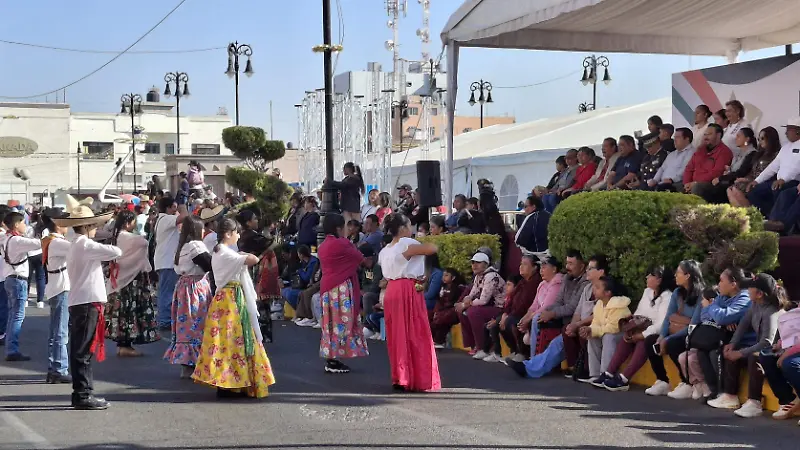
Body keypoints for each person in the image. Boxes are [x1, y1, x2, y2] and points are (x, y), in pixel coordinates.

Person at [193, 218, 276, 398]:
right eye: (236, 232)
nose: (238, 235)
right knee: (237, 341)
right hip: (232, 301)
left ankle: (229, 383)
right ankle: (233, 382)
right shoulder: (227, 254)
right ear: (228, 234)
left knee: (224, 343)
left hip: (224, 299)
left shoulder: (219, 252)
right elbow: (253, 259)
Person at [56, 196, 120, 410]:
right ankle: (83, 394)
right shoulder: (85, 245)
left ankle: (81, 392)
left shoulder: (77, 244)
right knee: (83, 351)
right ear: (88, 226)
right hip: (86, 301)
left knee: (80, 349)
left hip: (81, 301)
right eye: (94, 225)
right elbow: (116, 252)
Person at [379, 213, 441, 391]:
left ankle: (400, 376)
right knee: (413, 332)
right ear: (402, 229)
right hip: (407, 289)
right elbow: (432, 249)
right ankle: (413, 377)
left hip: (392, 290)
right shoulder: (406, 243)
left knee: (396, 335)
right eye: (408, 226)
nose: (411, 229)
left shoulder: (385, 250)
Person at [717, 273, 786, 417]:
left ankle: (754, 402)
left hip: (776, 351)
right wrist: (733, 344)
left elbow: (767, 343)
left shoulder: (771, 312)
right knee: (733, 352)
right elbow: (744, 323)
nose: (747, 290)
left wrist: (741, 353)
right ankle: (730, 396)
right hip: (763, 348)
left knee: (753, 357)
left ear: (760, 293)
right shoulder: (755, 304)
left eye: (750, 288)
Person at [602, 266, 674, 392]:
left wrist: (642, 334)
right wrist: (632, 328)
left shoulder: (667, 297)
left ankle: (624, 379)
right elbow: (639, 312)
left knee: (643, 342)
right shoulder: (647, 292)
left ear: (659, 280)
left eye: (651, 275)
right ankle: (608, 373)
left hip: (656, 332)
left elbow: (661, 324)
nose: (647, 277)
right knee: (626, 339)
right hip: (641, 327)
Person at [317, 214, 369, 373]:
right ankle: (334, 359)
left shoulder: (323, 245)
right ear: (339, 228)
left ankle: (331, 357)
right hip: (341, 288)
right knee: (342, 324)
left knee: (330, 324)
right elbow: (361, 259)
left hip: (326, 288)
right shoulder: (342, 244)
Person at [645, 260, 705, 397]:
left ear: (688, 275)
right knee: (650, 341)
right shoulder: (677, 292)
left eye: (678, 273)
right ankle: (662, 381)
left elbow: (694, 324)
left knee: (673, 344)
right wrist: (661, 337)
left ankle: (687, 382)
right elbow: (668, 317)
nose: (675, 276)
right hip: (676, 331)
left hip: (693, 334)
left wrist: (668, 339)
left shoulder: (701, 294)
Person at [105, 210, 160, 358]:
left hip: (118, 280)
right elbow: (144, 242)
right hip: (131, 280)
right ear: (128, 223)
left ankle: (122, 345)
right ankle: (126, 345)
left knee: (121, 312)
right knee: (130, 312)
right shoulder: (131, 238)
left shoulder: (115, 237)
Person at [164, 215, 213, 379]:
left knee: (185, 324)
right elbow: (208, 264)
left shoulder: (182, 246)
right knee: (198, 323)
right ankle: (198, 362)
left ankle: (186, 363)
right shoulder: (196, 245)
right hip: (195, 287)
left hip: (183, 286)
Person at [2, 211, 41, 361]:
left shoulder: (7, 238)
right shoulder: (17, 241)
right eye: (23, 222)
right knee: (17, 316)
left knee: (13, 315)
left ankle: (10, 347)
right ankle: (12, 350)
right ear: (17, 224)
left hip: (10, 279)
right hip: (18, 280)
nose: (25, 225)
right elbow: (38, 243)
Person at [749, 118, 800, 233]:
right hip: (779, 181)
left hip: (792, 181)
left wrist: (783, 179)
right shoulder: (785, 147)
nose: (786, 133)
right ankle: (770, 217)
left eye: (789, 130)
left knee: (781, 191)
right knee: (754, 192)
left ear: (797, 131)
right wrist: (757, 180)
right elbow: (773, 167)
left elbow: (796, 168)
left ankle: (778, 225)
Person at [40, 208, 72, 383]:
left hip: (55, 286)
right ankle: (59, 368)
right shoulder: (58, 242)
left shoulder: (49, 239)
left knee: (55, 331)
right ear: (57, 223)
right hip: (61, 287)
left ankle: (54, 368)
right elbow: (79, 249)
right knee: (61, 331)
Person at [582, 276, 632, 387]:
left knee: (608, 336)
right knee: (592, 336)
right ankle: (594, 374)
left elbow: (613, 328)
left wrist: (593, 329)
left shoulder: (619, 306)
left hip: (621, 335)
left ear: (608, 292)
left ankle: (606, 373)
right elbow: (595, 323)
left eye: (597, 287)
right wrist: (590, 329)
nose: (594, 290)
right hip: (606, 332)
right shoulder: (599, 304)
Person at [456, 251, 506, 359]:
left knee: (473, 312)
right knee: (462, 311)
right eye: (473, 262)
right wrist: (465, 302)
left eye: (478, 262)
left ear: (486, 264)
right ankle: (474, 345)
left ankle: (482, 348)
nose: (474, 265)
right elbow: (471, 294)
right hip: (490, 307)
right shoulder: (478, 276)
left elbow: (483, 300)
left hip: (500, 308)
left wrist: (466, 304)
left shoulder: (491, 276)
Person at [492, 255, 541, 362]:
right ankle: (514, 351)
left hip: (526, 315)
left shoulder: (535, 282)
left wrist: (509, 315)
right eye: (520, 264)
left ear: (534, 267)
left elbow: (524, 305)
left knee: (510, 321)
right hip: (515, 313)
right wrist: (505, 313)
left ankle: (523, 352)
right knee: (498, 321)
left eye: (525, 264)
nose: (521, 267)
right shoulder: (522, 281)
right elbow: (511, 299)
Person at [516, 256, 563, 358]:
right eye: (541, 268)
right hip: (539, 315)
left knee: (536, 319)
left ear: (554, 269)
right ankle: (522, 353)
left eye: (544, 268)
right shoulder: (542, 284)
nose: (541, 270)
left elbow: (547, 306)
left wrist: (529, 318)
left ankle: (534, 357)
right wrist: (525, 317)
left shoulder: (557, 283)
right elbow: (534, 305)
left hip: (554, 316)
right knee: (521, 320)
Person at [153, 196, 188, 329]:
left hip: (165, 260)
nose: (175, 210)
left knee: (166, 291)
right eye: (173, 207)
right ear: (168, 208)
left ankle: (165, 318)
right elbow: (184, 216)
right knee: (167, 292)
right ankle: (164, 320)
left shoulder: (161, 219)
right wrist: (182, 206)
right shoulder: (166, 219)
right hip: (167, 261)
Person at [727, 126, 782, 207]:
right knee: (731, 189)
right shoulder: (759, 154)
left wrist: (751, 180)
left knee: (737, 189)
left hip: (764, 182)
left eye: (762, 138)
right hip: (753, 180)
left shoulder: (776, 155)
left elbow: (771, 173)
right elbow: (752, 172)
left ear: (770, 139)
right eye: (759, 139)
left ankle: (748, 213)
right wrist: (746, 179)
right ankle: (740, 213)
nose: (760, 141)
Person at [703, 127, 758, 203]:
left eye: (739, 136)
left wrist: (721, 178)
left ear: (747, 139)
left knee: (712, 190)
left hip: (739, 184)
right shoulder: (738, 153)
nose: (736, 138)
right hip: (729, 180)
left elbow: (741, 172)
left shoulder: (752, 154)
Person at [430, 268, 465, 348]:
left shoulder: (458, 288)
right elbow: (439, 301)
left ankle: (439, 341)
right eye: (443, 275)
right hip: (443, 311)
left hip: (453, 311)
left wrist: (442, 312)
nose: (443, 277)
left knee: (443, 319)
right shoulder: (443, 287)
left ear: (453, 278)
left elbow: (455, 303)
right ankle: (433, 340)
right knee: (434, 319)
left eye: (446, 275)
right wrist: (437, 311)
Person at [282, 245, 319, 312]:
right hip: (302, 285)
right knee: (284, 291)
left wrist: (300, 271)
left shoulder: (313, 262)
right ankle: (299, 311)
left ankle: (301, 312)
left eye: (298, 254)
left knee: (290, 294)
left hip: (309, 286)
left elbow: (306, 278)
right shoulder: (304, 262)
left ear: (301, 255)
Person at [423, 253, 443, 322]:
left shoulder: (437, 273)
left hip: (433, 302)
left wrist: (416, 296)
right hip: (425, 299)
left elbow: (431, 294)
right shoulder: (424, 272)